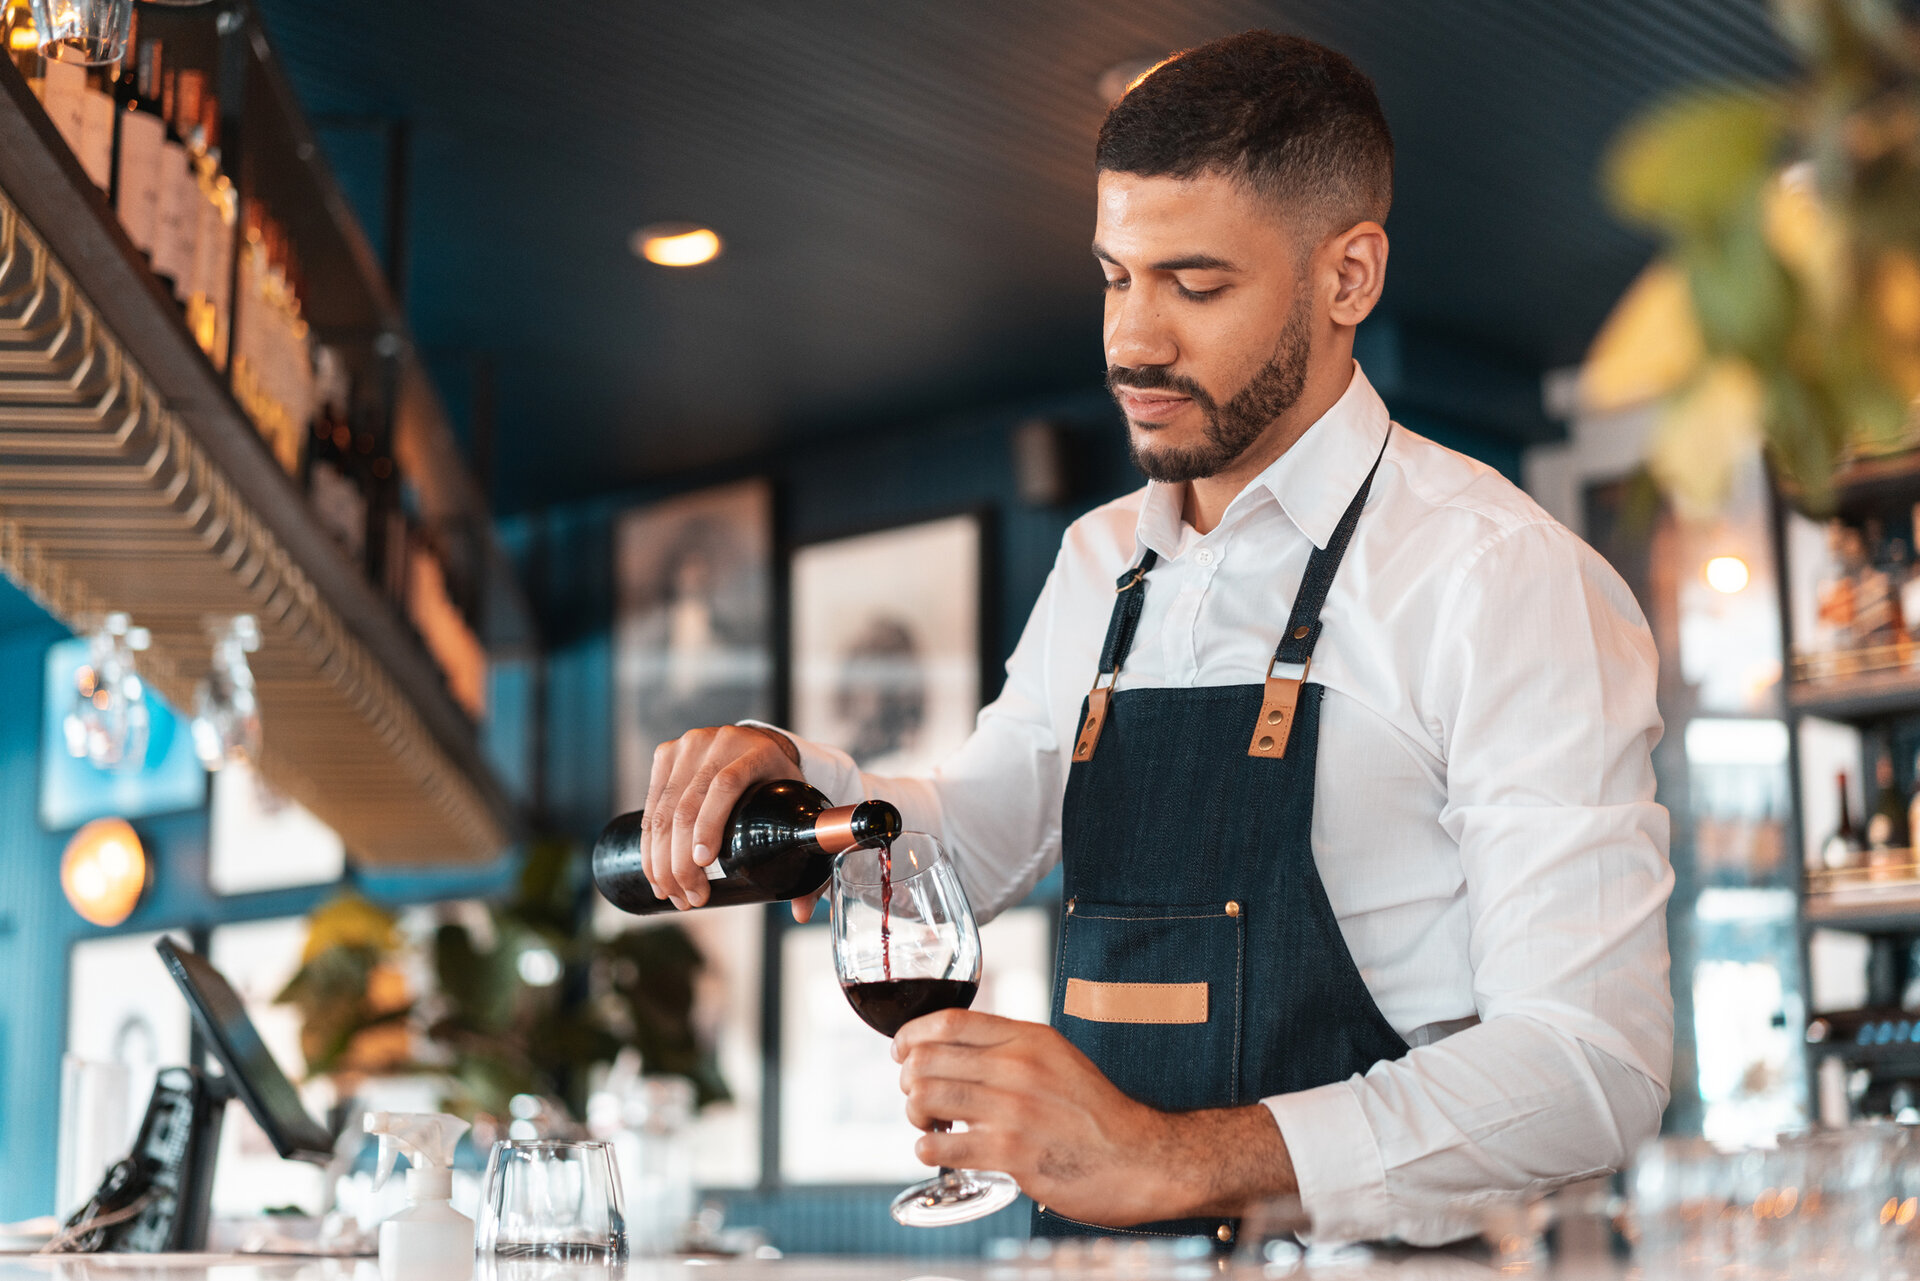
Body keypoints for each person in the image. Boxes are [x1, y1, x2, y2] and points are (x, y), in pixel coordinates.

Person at [633, 30, 1672, 1246]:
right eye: (1116, 276)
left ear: (1349, 278)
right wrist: (812, 790)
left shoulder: (1501, 578)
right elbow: (966, 840)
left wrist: (1171, 1159)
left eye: (1196, 284)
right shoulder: (1098, 563)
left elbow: (1591, 1065)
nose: (1133, 342)